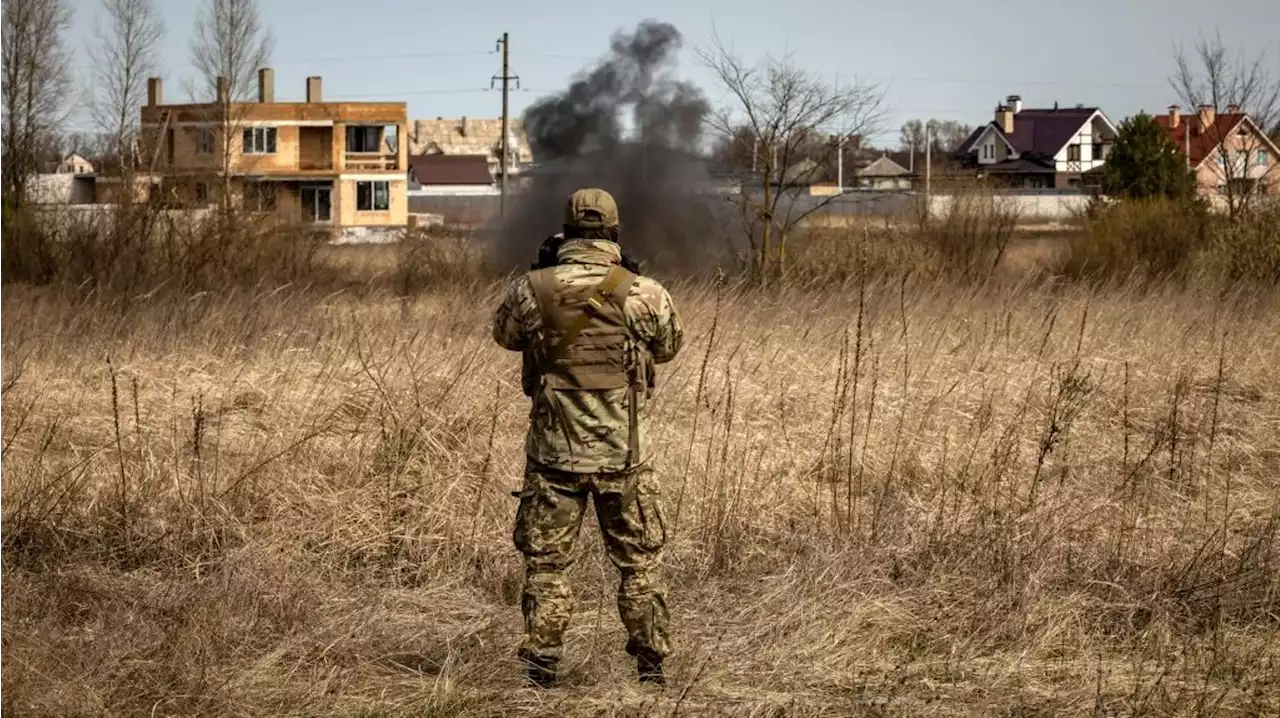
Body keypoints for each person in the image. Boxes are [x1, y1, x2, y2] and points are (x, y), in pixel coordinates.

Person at [491, 188, 684, 688]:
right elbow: (667, 348)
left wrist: (541, 267)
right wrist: (628, 282)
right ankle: (651, 670)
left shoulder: (531, 289)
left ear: (567, 233)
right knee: (639, 565)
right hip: (625, 455)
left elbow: (506, 336)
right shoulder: (645, 291)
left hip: (555, 458)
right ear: (614, 235)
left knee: (547, 566)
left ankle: (541, 671)